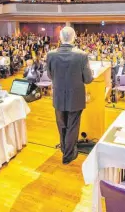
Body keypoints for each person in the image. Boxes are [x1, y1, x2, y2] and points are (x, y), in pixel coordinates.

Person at [46, 26, 93, 165]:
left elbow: (49, 75)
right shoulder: (81, 55)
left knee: (61, 124)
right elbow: (88, 79)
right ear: (74, 38)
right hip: (75, 96)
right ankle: (68, 154)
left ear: (60, 38)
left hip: (59, 94)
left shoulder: (51, 54)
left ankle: (65, 148)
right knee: (72, 125)